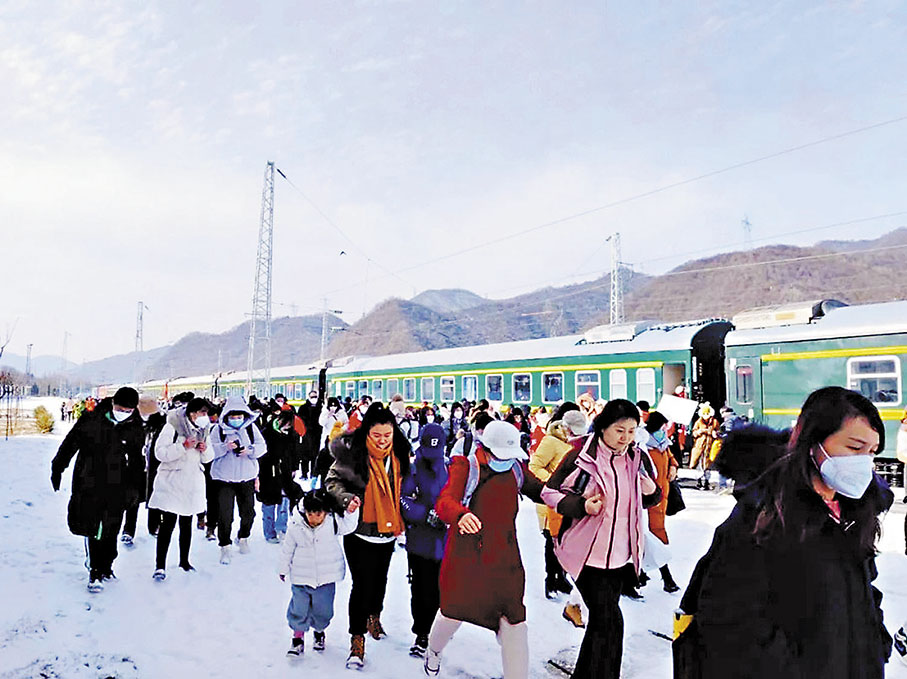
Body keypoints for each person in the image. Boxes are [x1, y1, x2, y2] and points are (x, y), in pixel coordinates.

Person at [678, 386, 893, 679]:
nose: (863, 463)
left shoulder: (854, 513)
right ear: (814, 442)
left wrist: (874, 640)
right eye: (854, 448)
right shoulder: (764, 516)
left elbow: (863, 586)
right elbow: (730, 621)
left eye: (871, 452)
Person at [541, 399, 660, 679]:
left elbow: (653, 498)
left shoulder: (638, 458)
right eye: (620, 430)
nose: (626, 438)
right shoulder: (581, 455)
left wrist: (650, 489)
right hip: (585, 555)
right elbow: (549, 493)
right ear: (603, 427)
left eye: (632, 431)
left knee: (601, 623)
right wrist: (583, 506)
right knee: (610, 622)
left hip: (621, 556)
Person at [423, 420, 543, 679]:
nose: (507, 461)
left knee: (514, 620)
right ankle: (433, 651)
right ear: (485, 449)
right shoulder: (466, 466)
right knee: (452, 612)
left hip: (504, 557)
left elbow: (543, 491)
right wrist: (460, 515)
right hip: (467, 558)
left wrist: (576, 502)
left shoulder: (515, 468)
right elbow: (445, 502)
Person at [325, 404, 411, 669]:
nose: (383, 440)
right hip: (360, 531)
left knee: (380, 580)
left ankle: (375, 615)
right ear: (366, 433)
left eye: (388, 434)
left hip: (387, 532)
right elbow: (332, 481)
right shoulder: (353, 455)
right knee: (361, 584)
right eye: (377, 435)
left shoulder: (400, 455)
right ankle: (356, 637)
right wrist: (347, 499)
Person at [51, 387, 145, 592]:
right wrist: (58, 467)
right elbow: (70, 443)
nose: (125, 413)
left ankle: (107, 567)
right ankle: (94, 571)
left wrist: (139, 489)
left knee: (112, 529)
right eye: (121, 408)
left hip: (119, 486)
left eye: (129, 410)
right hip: (90, 482)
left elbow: (138, 459)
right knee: (95, 528)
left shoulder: (136, 426)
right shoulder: (92, 419)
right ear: (113, 404)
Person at [278, 488, 360, 657]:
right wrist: (283, 568)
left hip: (326, 578)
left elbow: (349, 527)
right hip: (301, 577)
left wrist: (352, 511)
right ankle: (298, 638)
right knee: (298, 608)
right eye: (310, 514)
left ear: (326, 512)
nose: (314, 519)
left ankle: (319, 631)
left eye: (318, 515)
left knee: (324, 610)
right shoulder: (295, 525)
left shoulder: (333, 522)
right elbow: (287, 548)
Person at [147, 397, 213, 580]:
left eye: (206, 413)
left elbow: (208, 458)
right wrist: (182, 447)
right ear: (192, 413)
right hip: (172, 483)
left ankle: (184, 561)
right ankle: (160, 566)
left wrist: (204, 449)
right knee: (167, 524)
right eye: (202, 412)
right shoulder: (172, 426)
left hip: (192, 484)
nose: (204, 416)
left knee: (186, 525)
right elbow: (160, 453)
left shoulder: (204, 430)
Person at [400, 423, 449, 658]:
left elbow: (461, 496)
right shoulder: (413, 469)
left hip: (445, 541)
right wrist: (424, 514)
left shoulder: (450, 468)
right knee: (420, 590)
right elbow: (403, 500)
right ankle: (421, 632)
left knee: (442, 589)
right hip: (419, 541)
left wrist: (451, 514)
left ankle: (438, 632)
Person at [529, 409, 587, 599]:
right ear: (564, 427)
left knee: (563, 541)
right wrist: (555, 481)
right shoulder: (550, 441)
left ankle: (561, 577)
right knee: (551, 542)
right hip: (550, 501)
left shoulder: (576, 443)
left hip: (567, 501)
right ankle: (551, 580)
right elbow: (534, 466)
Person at [209, 396, 268, 564]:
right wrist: (225, 447)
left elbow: (262, 447)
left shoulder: (251, 429)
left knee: (248, 512)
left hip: (246, 478)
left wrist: (249, 450)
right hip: (224, 479)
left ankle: (243, 537)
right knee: (225, 514)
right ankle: (225, 546)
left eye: (239, 416)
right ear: (226, 416)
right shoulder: (217, 430)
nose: (236, 420)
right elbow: (210, 452)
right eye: (232, 417)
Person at [640, 411, 680, 593]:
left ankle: (641, 574)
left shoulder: (662, 443)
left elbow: (671, 457)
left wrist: (673, 466)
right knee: (653, 535)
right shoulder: (643, 446)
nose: (665, 430)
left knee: (652, 535)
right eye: (663, 426)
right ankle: (666, 577)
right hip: (648, 498)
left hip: (662, 496)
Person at [259, 409, 297, 544]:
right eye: (286, 424)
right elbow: (261, 455)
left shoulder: (291, 434)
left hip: (285, 471)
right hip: (268, 472)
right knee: (269, 502)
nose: (288, 427)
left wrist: (294, 467)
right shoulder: (267, 432)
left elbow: (294, 451)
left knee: (285, 500)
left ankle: (282, 527)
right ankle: (269, 532)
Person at [689, 403, 720, 489]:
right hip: (699, 447)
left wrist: (715, 434)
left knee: (707, 465)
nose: (706, 416)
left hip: (709, 447)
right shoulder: (698, 422)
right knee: (699, 465)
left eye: (707, 414)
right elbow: (694, 433)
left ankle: (706, 482)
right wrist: (700, 432)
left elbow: (718, 431)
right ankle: (699, 482)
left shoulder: (714, 422)